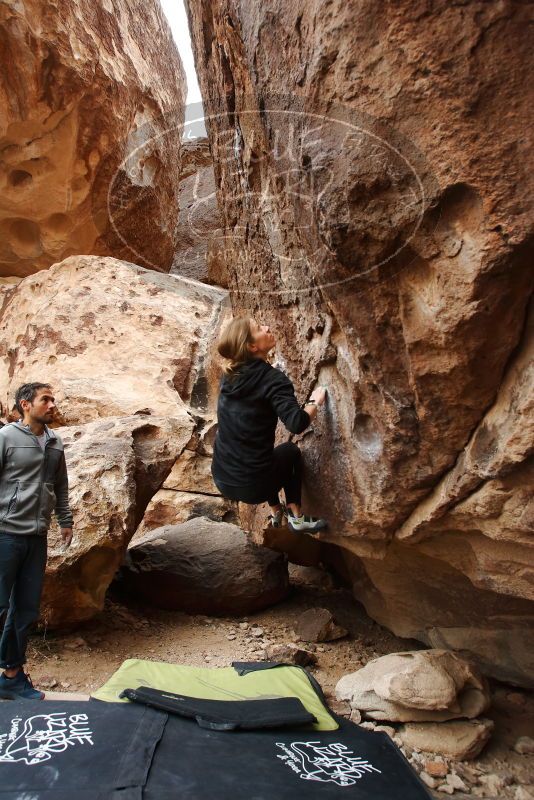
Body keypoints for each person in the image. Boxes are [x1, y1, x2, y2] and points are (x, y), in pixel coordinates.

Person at [211, 317, 327, 533]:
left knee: (263, 460)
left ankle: (276, 512)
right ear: (252, 346)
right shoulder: (273, 380)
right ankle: (297, 518)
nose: (267, 327)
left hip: (223, 479)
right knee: (290, 452)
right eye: (259, 329)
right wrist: (314, 402)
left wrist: (267, 372)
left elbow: (255, 389)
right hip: (253, 486)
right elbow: (296, 423)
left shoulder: (229, 378)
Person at [0, 382, 73, 700]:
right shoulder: (6, 438)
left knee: (26, 610)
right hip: (5, 535)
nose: (52, 404)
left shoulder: (55, 442)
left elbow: (60, 486)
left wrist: (65, 521)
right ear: (25, 404)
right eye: (46, 399)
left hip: (37, 538)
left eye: (53, 399)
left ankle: (11, 676)